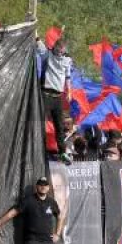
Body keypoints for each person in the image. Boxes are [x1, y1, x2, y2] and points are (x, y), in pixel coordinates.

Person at [37, 36, 73, 164]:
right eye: (58, 50)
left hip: (58, 96)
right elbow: (38, 41)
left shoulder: (67, 60)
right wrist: (32, 22)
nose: (60, 53)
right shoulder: (47, 54)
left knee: (59, 125)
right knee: (40, 121)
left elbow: (68, 75)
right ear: (55, 47)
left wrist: (69, 90)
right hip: (46, 93)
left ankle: (62, 152)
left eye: (62, 51)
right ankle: (38, 148)